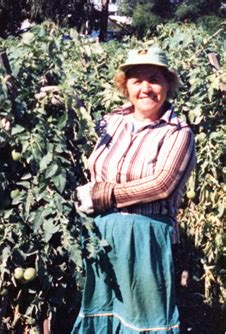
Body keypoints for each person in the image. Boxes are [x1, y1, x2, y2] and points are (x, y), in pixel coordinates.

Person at [72, 46, 196, 333]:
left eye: (154, 79)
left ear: (168, 85)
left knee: (143, 320)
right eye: (137, 80)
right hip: (100, 236)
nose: (146, 88)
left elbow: (162, 185)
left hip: (146, 237)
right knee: (102, 312)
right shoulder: (111, 123)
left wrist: (102, 195)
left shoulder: (178, 133)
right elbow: (94, 166)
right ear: (125, 86)